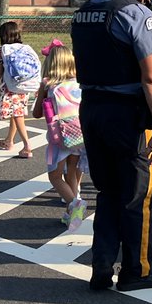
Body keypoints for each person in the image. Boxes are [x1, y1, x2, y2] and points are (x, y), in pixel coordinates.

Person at [71, 0, 152, 292]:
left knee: (108, 190)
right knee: (137, 194)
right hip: (125, 113)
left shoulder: (84, 12)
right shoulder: (135, 13)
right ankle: (138, 271)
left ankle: (101, 265)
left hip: (91, 109)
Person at [31, 41, 88, 231]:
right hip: (81, 136)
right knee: (72, 172)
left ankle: (75, 203)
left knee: (55, 177)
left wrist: (41, 91)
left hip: (60, 139)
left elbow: (37, 113)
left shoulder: (50, 87)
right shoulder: (79, 83)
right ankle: (70, 213)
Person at [0, 21, 34, 158]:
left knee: (17, 115)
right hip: (24, 86)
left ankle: (27, 146)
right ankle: (9, 141)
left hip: (10, 87)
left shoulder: (2, 50)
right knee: (16, 113)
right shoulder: (25, 48)